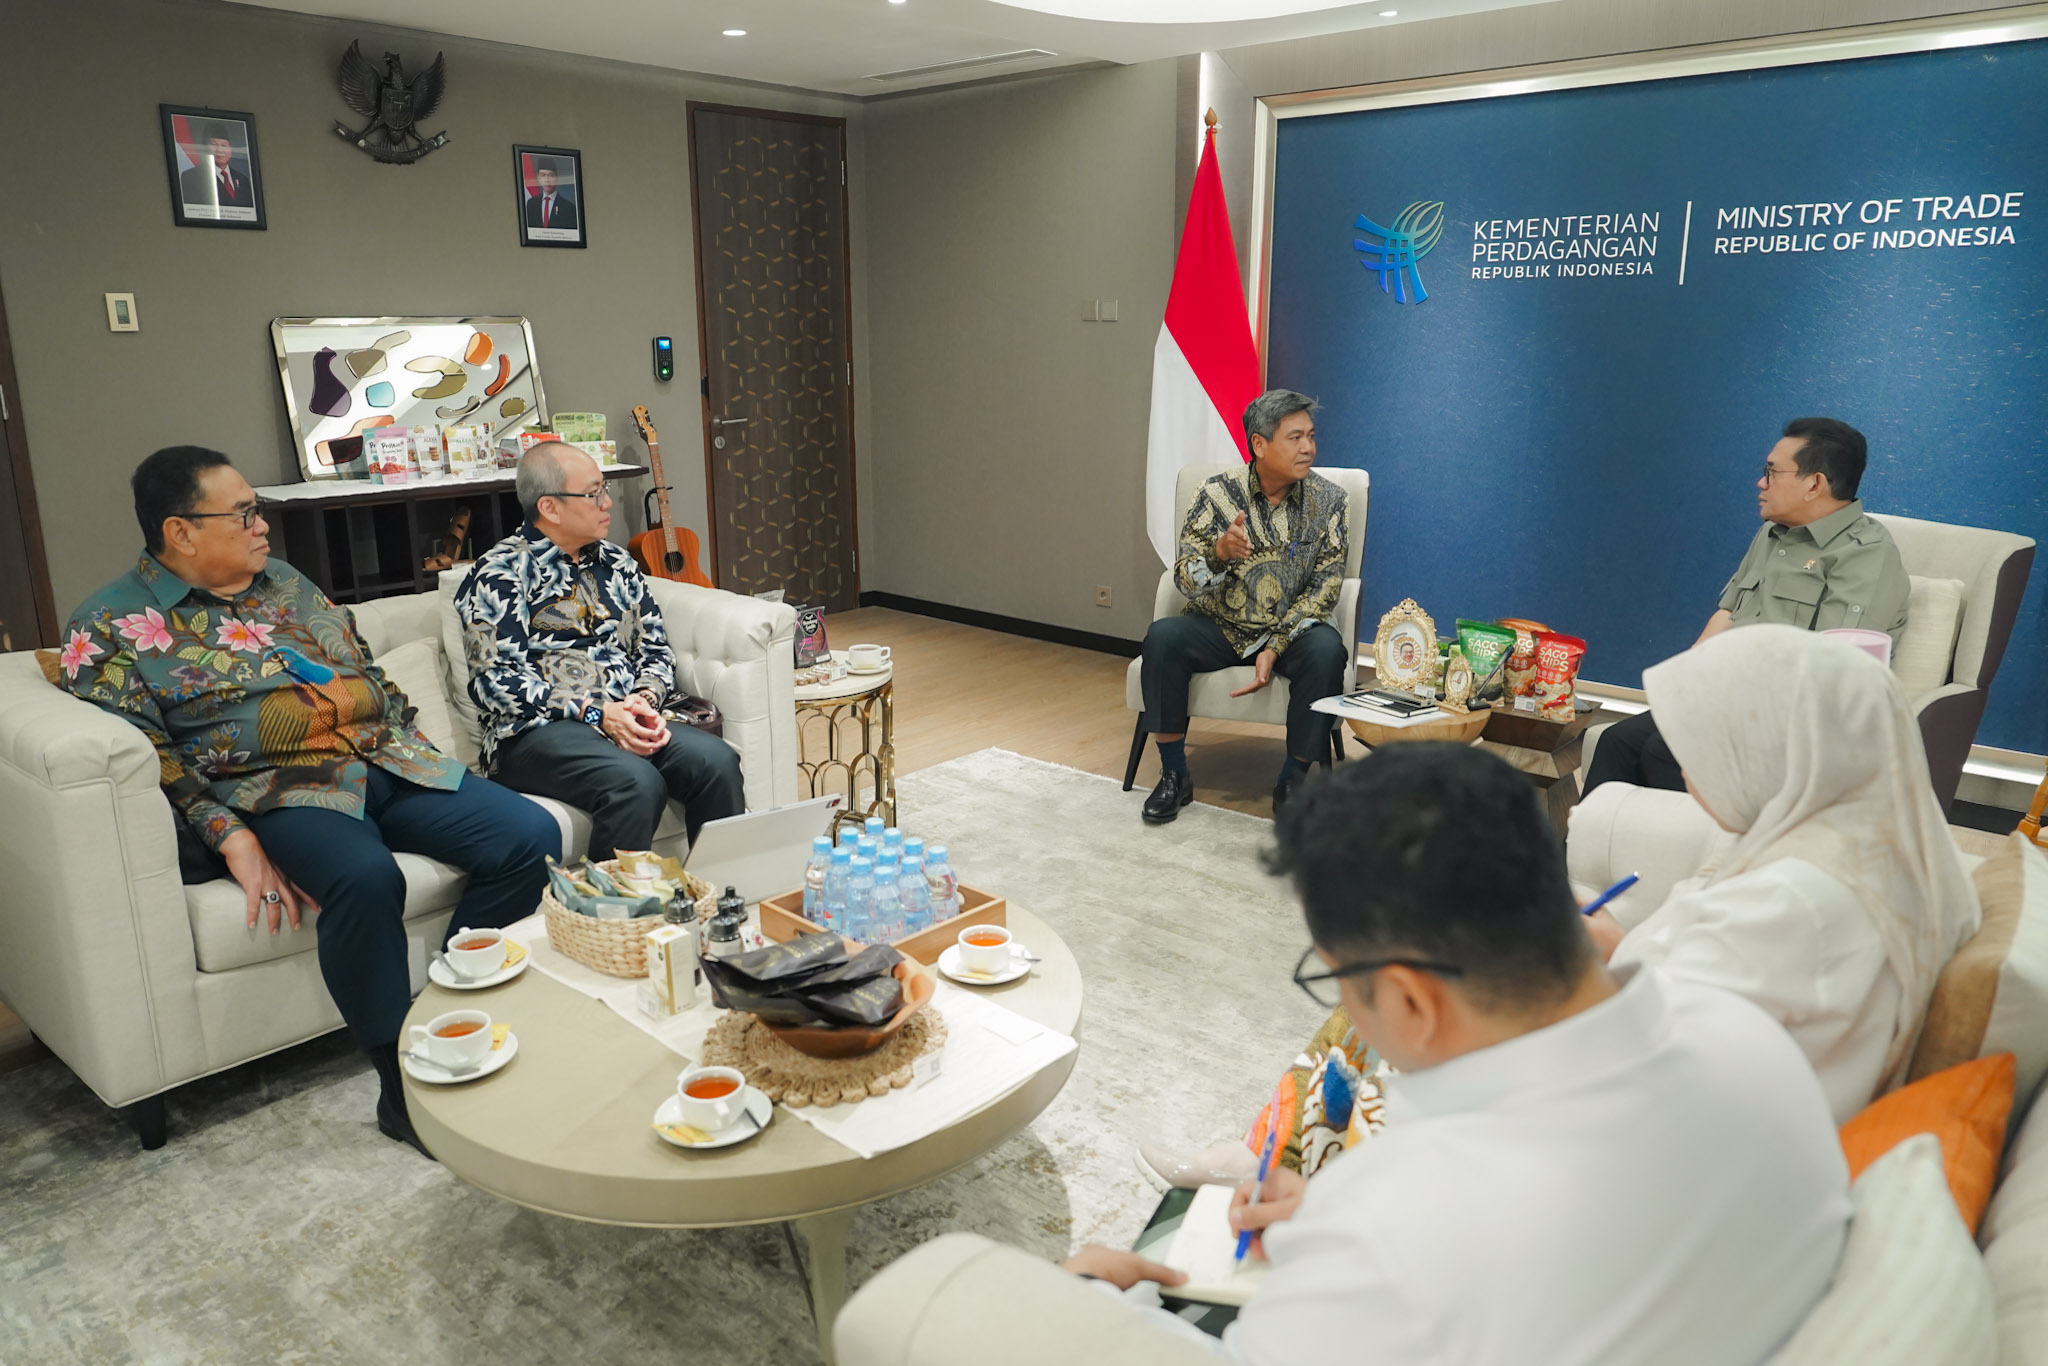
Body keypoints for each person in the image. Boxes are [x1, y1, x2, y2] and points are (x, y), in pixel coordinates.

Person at [1065, 746, 1851, 1365]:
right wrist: (1331, 1223)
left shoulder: (1400, 1223)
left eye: (1336, 979)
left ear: (1410, 1001)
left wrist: (1092, 1297)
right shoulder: (1750, 1038)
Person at [59, 447, 560, 1154]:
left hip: (387, 759)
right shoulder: (107, 626)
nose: (262, 525)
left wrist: (415, 743)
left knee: (529, 834)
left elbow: (367, 672)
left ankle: (449, 1015)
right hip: (283, 788)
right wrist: (227, 833)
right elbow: (149, 754)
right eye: (243, 513)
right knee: (364, 878)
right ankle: (400, 1089)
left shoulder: (287, 582)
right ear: (180, 531)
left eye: (257, 509)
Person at [1584, 625, 1980, 1124]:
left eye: (1700, 743)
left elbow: (1657, 1056)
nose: (1683, 765)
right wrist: (1619, 949)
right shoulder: (1861, 841)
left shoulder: (1797, 902)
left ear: (1770, 749)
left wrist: (1587, 964)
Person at [1585, 416, 1909, 794]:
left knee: (1665, 753)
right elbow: (1729, 612)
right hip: (1727, 699)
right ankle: (1592, 837)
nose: (1760, 483)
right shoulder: (1773, 533)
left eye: (1771, 472)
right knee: (1617, 742)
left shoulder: (1867, 555)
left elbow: (1834, 671)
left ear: (1814, 484)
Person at [456, 442, 744, 858]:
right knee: (636, 783)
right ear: (550, 507)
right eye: (593, 494)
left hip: (622, 715)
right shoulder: (499, 573)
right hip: (535, 733)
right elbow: (493, 683)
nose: (607, 503)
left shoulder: (617, 563)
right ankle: (612, 901)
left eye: (604, 489)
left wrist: (644, 699)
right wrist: (596, 713)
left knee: (716, 762)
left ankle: (719, 892)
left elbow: (654, 648)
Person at [1136, 389, 1350, 823]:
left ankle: (1292, 779)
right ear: (1259, 444)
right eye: (1295, 437)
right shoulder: (1216, 494)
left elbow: (1326, 586)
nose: (1308, 448)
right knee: (1163, 638)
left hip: (1289, 631)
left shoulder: (1330, 501)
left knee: (1328, 651)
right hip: (1221, 625)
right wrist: (1218, 554)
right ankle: (1174, 775)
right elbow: (1184, 579)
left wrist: (1276, 644)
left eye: (1311, 436)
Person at [179, 128, 254, 209]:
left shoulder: (243, 180)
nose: (219, 150)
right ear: (205, 149)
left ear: (231, 150)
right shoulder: (191, 177)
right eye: (213, 145)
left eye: (224, 145)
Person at [523, 160, 579, 231]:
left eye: (551, 175)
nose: (547, 180)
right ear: (538, 178)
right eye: (543, 175)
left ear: (556, 177)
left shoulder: (569, 207)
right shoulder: (531, 204)